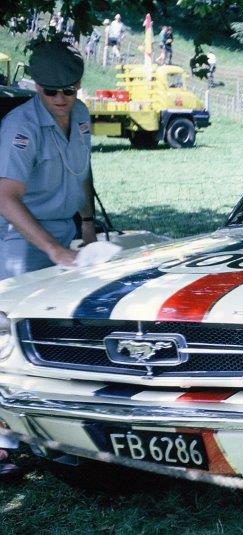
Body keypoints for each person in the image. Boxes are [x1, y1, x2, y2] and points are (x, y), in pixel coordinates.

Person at [0, 41, 97, 480]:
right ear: (36, 86)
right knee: (9, 339)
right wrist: (53, 250)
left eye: (69, 90)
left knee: (54, 333)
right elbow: (6, 197)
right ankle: (4, 441)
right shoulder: (19, 126)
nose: (60, 100)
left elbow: (85, 169)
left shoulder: (81, 116)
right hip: (19, 241)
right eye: (50, 91)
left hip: (63, 231)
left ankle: (49, 431)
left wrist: (88, 225)